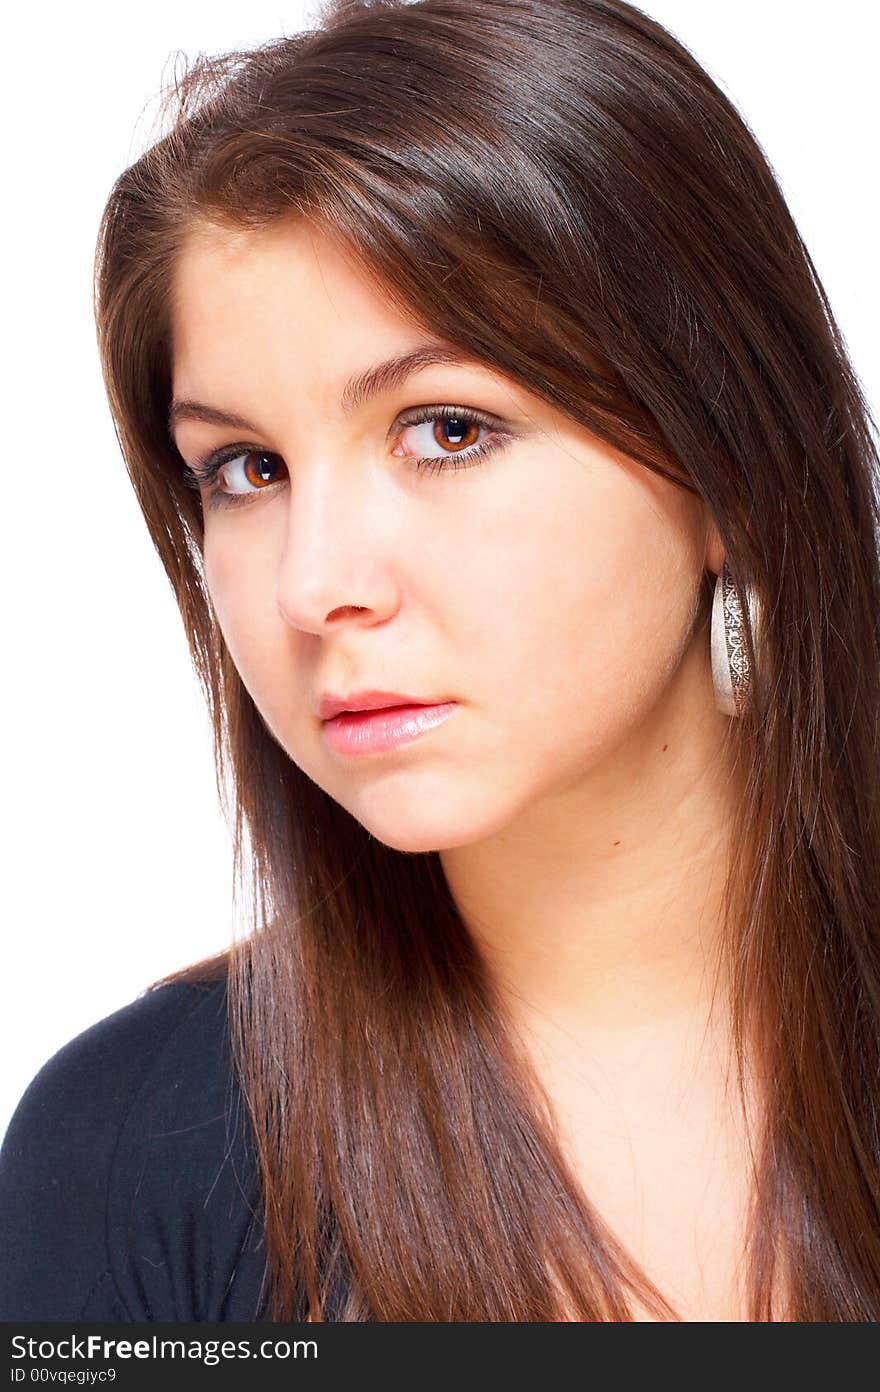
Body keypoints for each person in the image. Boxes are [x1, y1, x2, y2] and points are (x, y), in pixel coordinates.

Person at [2, 0, 879, 1323]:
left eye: (448, 431)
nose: (314, 587)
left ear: (727, 467)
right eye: (246, 470)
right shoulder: (133, 1155)